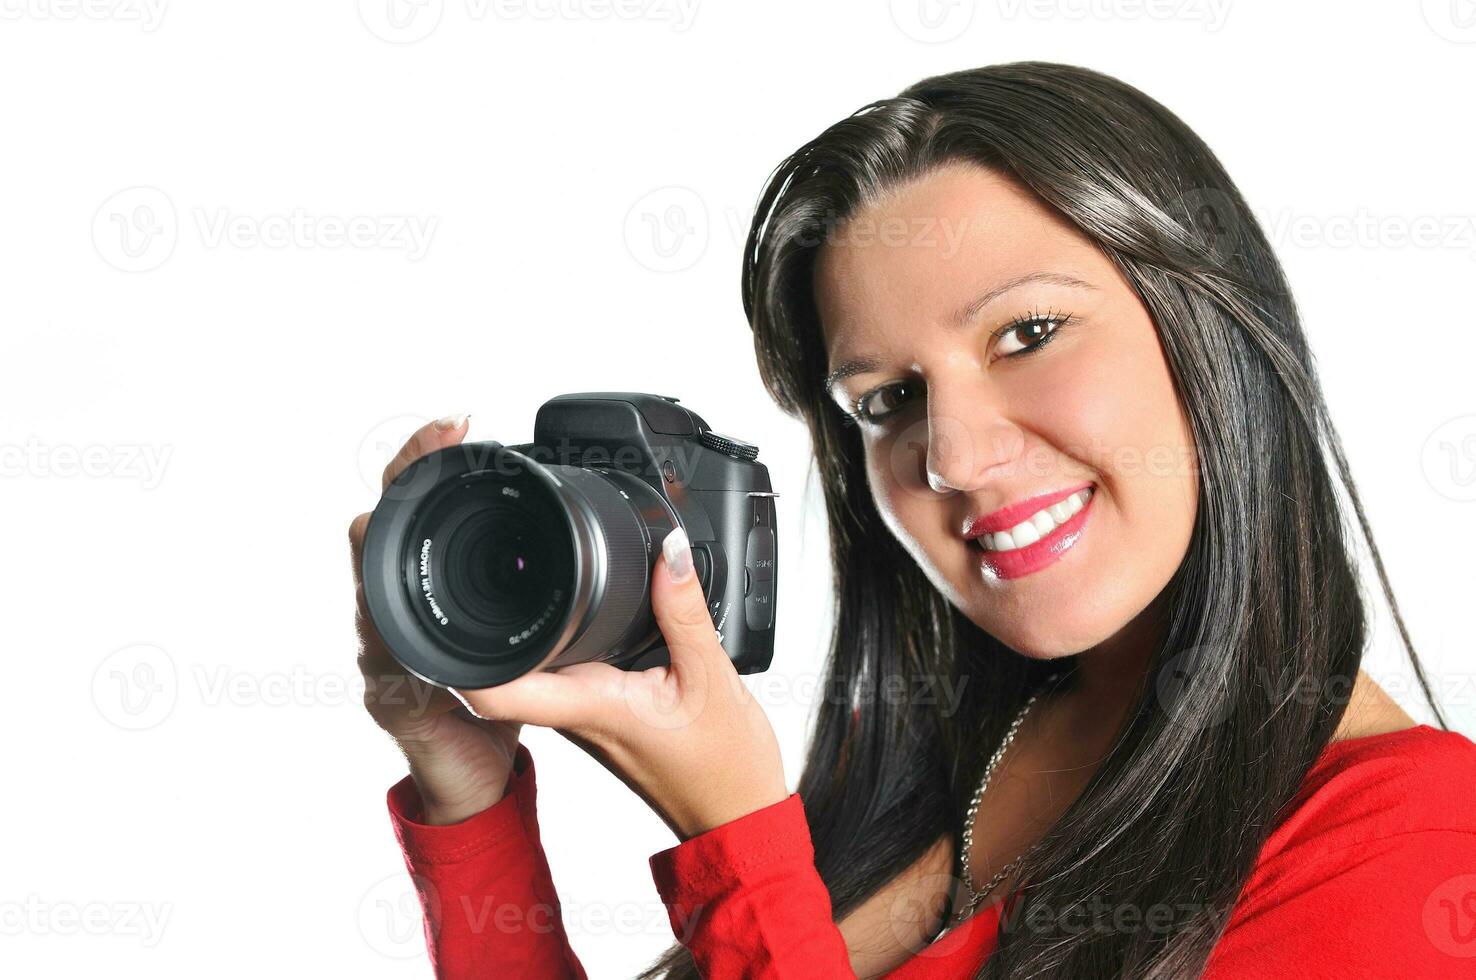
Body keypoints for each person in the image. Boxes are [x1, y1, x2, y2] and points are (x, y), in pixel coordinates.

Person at [348, 62, 1476, 978]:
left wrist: (735, 842)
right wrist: (474, 796)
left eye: (1027, 334)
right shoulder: (935, 764)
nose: (955, 455)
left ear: (1208, 333)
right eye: (888, 400)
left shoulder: (1411, 841)